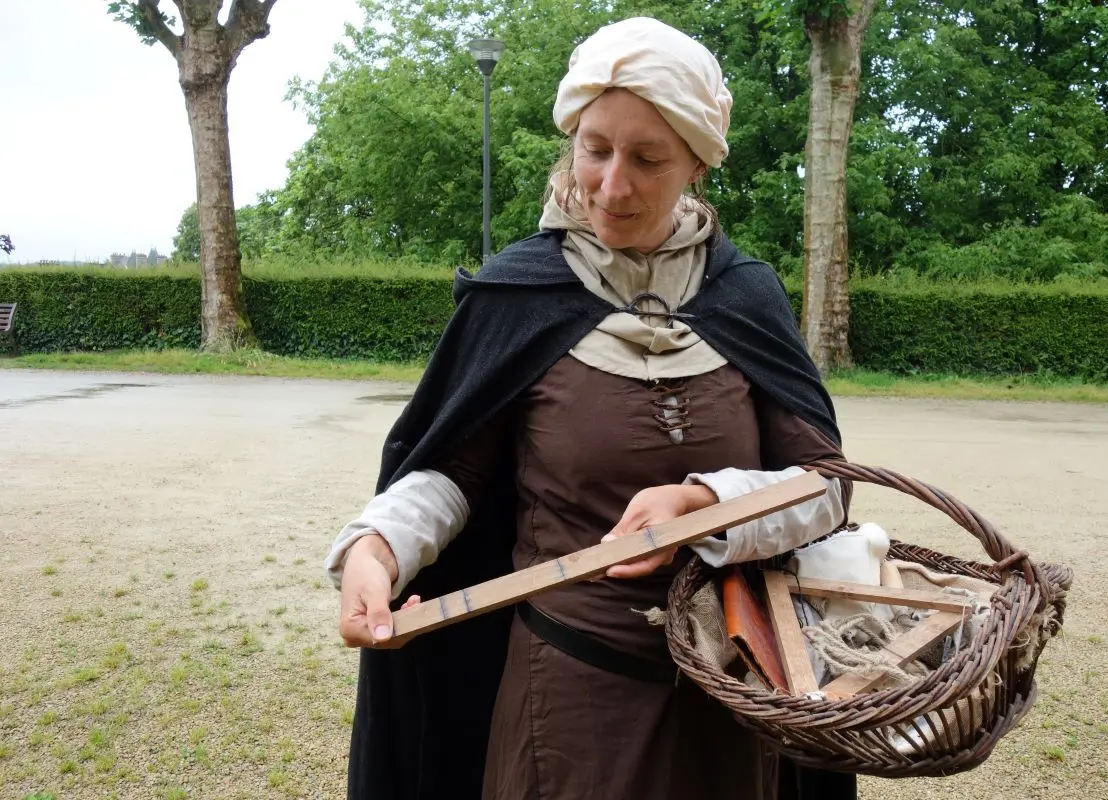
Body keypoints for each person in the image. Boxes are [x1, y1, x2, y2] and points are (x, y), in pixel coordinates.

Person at [325, 16, 858, 800]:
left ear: (697, 165)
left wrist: (704, 503)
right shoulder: (519, 293)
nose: (611, 186)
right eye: (595, 149)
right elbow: (452, 473)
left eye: (648, 159)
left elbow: (827, 488)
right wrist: (377, 547)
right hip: (570, 707)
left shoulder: (746, 297)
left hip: (730, 697)